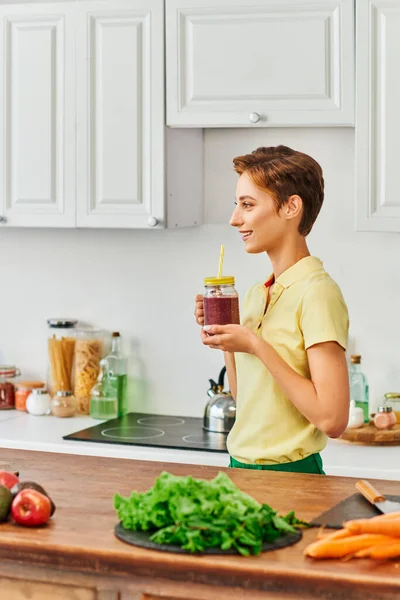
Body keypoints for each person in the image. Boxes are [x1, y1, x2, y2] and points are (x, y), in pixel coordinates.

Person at [194, 145, 349, 475]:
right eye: (237, 205)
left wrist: (254, 345)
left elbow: (333, 420)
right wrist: (226, 338)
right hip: (239, 469)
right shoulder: (254, 295)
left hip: (293, 476)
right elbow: (245, 398)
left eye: (247, 205)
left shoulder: (316, 293)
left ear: (291, 207)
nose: (235, 219)